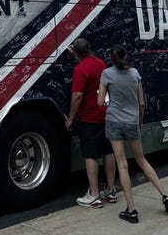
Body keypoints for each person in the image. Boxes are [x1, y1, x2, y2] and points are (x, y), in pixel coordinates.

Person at [97, 44, 168, 223]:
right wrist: (139, 123)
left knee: (122, 165)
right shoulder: (135, 74)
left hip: (114, 121)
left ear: (111, 58)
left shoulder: (107, 74)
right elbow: (141, 103)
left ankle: (131, 210)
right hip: (133, 122)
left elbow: (100, 101)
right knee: (142, 160)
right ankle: (165, 196)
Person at [65, 38, 117, 208]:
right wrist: (78, 55)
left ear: (77, 53)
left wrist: (71, 118)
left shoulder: (80, 69)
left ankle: (94, 195)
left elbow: (77, 96)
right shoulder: (100, 63)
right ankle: (110, 190)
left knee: (91, 155)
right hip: (106, 114)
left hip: (89, 118)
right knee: (108, 152)